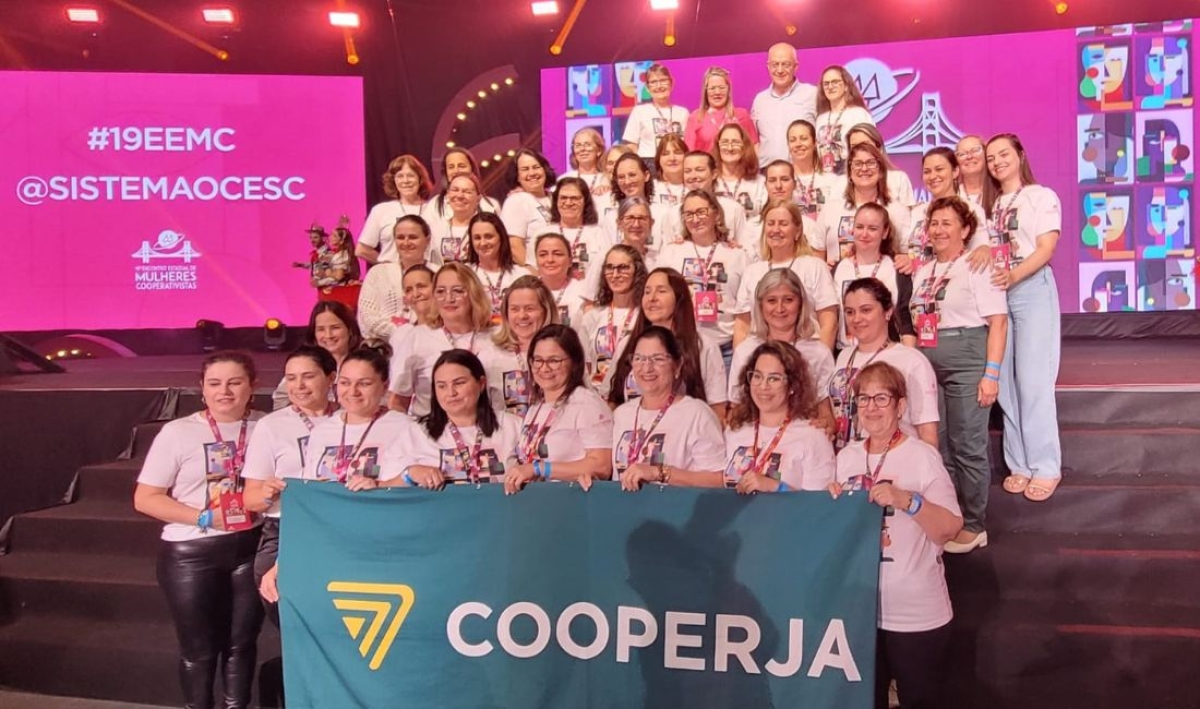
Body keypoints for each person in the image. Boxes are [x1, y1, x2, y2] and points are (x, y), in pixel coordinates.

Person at [133, 351, 265, 709]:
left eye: (235, 382)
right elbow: (145, 498)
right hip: (191, 554)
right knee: (200, 650)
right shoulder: (178, 433)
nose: (225, 391)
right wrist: (204, 518)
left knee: (241, 644)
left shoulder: (267, 427)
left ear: (252, 386)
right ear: (202, 389)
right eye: (215, 384)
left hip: (250, 546)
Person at [828, 361, 963, 709]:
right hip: (860, 611)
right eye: (864, 398)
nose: (871, 407)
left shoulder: (922, 456)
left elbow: (950, 528)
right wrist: (831, 505)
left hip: (915, 613)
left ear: (900, 406)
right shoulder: (846, 457)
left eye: (881, 398)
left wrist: (908, 501)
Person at [909, 196, 1008, 553]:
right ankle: (950, 515)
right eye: (933, 223)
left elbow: (999, 322)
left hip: (967, 356)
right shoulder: (924, 271)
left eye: (947, 223)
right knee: (939, 444)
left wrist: (991, 374)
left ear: (965, 229)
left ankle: (974, 523)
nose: (938, 230)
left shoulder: (977, 265)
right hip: (928, 361)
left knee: (968, 443)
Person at [983, 133, 1063, 502]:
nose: (997, 162)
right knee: (1006, 387)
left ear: (1020, 155)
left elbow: (1046, 248)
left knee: (1033, 382)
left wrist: (1014, 275)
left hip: (1031, 289)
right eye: (991, 158)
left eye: (1004, 154)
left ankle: (1045, 466)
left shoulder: (1040, 196)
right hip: (999, 295)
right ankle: (1019, 464)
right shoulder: (990, 205)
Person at [241, 346, 337, 625]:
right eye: (291, 378)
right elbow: (250, 499)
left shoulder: (349, 419)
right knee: (292, 626)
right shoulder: (272, 426)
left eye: (308, 376)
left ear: (331, 377)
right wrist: (267, 493)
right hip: (284, 530)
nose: (299, 386)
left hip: (339, 529)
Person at [385, 349, 522, 487]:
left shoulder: (513, 426)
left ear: (481, 384)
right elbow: (384, 488)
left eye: (459, 383)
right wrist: (410, 474)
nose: (451, 393)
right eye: (442, 386)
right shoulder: (415, 433)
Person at [832, 278, 939, 452]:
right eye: (850, 312)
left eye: (866, 310)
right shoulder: (844, 356)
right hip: (847, 458)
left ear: (887, 311)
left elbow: (928, 435)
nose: (856, 319)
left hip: (895, 459)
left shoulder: (912, 361)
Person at [504, 325, 614, 493]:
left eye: (554, 361)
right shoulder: (536, 407)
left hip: (572, 500)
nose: (544, 368)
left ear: (574, 362)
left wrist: (540, 468)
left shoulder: (586, 403)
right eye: (538, 360)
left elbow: (602, 465)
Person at [613, 327, 726, 489]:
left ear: (677, 366)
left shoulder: (696, 414)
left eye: (657, 359)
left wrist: (660, 473)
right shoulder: (622, 414)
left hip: (677, 504)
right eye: (639, 359)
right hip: (623, 504)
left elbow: (718, 480)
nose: (647, 368)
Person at [608, 268, 728, 420]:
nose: (652, 298)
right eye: (647, 292)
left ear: (679, 297)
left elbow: (717, 409)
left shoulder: (703, 346)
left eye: (661, 291)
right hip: (633, 431)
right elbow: (613, 399)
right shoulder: (627, 344)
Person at [728, 268, 836, 431]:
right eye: (771, 301)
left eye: (788, 300)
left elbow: (826, 413)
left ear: (800, 304)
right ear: (760, 305)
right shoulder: (745, 351)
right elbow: (736, 408)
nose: (779, 309)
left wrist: (825, 426)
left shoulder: (819, 353)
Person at [298, 345, 417, 490]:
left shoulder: (405, 428)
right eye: (345, 383)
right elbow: (308, 487)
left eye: (364, 384)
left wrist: (379, 485)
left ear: (385, 386)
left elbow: (418, 482)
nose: (353, 391)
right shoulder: (322, 432)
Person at [725, 341, 835, 493]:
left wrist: (777, 487)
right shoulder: (735, 430)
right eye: (757, 376)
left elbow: (818, 505)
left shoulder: (813, 437)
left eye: (774, 378)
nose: (763, 386)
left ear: (792, 386)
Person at [388, 263, 495, 417]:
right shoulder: (417, 337)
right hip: (431, 428)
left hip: (489, 426)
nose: (448, 298)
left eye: (458, 291)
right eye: (440, 291)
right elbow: (397, 401)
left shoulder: (496, 336)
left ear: (474, 293)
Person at [656, 190, 749, 365]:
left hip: (726, 349)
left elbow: (744, 313)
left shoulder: (737, 255)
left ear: (716, 213)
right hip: (682, 348)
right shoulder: (670, 253)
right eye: (689, 214)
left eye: (701, 212)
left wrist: (739, 356)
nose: (695, 219)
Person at [734, 199, 839, 348]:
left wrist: (820, 358)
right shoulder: (752, 271)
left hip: (806, 355)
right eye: (771, 224)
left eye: (783, 224)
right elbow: (742, 326)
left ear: (797, 231)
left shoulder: (815, 267)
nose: (776, 229)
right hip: (761, 356)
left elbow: (829, 323)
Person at [813, 142, 911, 265]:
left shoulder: (897, 210)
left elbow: (906, 255)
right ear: (850, 172)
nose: (864, 169)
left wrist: (906, 261)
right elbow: (817, 255)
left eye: (870, 163)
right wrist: (823, 269)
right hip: (837, 276)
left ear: (880, 170)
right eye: (858, 164)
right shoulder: (830, 209)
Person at [832, 203, 914, 348]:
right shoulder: (837, 269)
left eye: (872, 229)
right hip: (846, 352)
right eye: (859, 227)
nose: (864, 234)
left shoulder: (898, 268)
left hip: (886, 353)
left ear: (885, 232)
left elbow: (906, 321)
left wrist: (908, 356)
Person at [905, 147, 991, 277]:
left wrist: (984, 249)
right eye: (927, 172)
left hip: (954, 281)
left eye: (939, 169)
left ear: (955, 171)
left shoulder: (971, 209)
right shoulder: (917, 212)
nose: (933, 176)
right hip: (917, 284)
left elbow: (981, 249)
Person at [577, 245, 647, 397]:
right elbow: (584, 367)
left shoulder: (645, 316)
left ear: (637, 271)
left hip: (634, 399)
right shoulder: (592, 317)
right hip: (597, 399)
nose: (615, 274)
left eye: (623, 268)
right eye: (610, 268)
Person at [485, 275, 559, 416]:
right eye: (515, 309)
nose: (522, 316)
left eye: (530, 308)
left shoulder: (566, 352)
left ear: (546, 310)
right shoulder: (489, 356)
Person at [357, 218, 436, 343]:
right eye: (400, 237)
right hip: (383, 347)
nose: (406, 242)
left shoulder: (439, 272)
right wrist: (404, 333)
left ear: (427, 240)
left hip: (430, 342)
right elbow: (367, 318)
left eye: (413, 237)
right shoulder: (378, 272)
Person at [273, 301, 363, 409]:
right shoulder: (304, 363)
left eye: (335, 328)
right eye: (321, 329)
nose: (328, 335)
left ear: (350, 330)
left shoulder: (365, 364)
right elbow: (281, 400)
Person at [356, 155, 435, 265]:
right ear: (394, 181)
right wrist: (387, 265)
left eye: (410, 175)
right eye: (400, 176)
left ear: (420, 179)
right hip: (391, 274)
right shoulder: (381, 210)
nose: (405, 181)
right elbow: (361, 250)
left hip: (426, 273)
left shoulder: (434, 208)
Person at [751, 42, 818, 167]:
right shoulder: (759, 100)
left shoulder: (812, 94)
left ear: (796, 66)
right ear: (768, 67)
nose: (780, 70)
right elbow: (753, 141)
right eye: (775, 64)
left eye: (786, 64)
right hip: (767, 172)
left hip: (802, 171)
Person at [680, 150, 758, 251]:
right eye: (687, 171)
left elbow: (746, 248)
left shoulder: (733, 209)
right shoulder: (673, 212)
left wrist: (738, 248)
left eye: (699, 170)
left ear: (714, 174)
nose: (693, 176)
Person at [465, 212, 532, 323]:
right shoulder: (464, 274)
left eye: (488, 236)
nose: (483, 243)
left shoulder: (522, 275)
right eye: (477, 238)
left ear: (501, 237)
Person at [547, 176, 612, 285]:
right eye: (563, 198)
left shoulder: (599, 234)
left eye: (575, 198)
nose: (568, 203)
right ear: (556, 201)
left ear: (585, 201)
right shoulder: (543, 233)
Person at [603, 152, 673, 251]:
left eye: (632, 175)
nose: (627, 181)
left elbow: (669, 252)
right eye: (621, 177)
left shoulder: (662, 213)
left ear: (646, 175)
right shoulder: (611, 217)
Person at [622, 63, 688, 166]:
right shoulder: (639, 111)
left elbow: (687, 143)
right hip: (648, 162)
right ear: (647, 88)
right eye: (653, 82)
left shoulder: (682, 113)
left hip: (676, 162)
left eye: (663, 80)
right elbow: (631, 145)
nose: (659, 86)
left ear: (671, 83)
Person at [500, 148, 557, 266]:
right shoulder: (516, 201)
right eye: (525, 169)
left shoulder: (557, 198)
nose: (532, 173)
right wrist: (536, 272)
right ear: (517, 176)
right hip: (534, 272)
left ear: (545, 170)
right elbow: (514, 247)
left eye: (536, 167)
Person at [814, 65, 874, 176]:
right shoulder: (820, 119)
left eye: (835, 82)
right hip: (826, 179)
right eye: (826, 84)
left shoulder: (858, 114)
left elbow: (870, 150)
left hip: (852, 177)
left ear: (846, 86)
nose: (830, 87)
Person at [685, 66, 759, 153]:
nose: (717, 92)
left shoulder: (742, 115)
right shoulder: (695, 117)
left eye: (722, 87)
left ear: (728, 90)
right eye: (712, 88)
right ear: (705, 91)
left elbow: (754, 146)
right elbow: (689, 153)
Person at [788, 119, 839, 232]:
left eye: (803, 138)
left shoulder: (831, 181)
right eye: (792, 140)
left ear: (814, 143)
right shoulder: (783, 181)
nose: (798, 144)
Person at [712, 123, 768, 226]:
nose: (730, 148)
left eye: (735, 142)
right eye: (724, 142)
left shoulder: (760, 182)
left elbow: (765, 218)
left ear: (744, 146)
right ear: (718, 146)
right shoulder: (710, 182)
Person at [534, 232, 593, 327]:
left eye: (557, 254)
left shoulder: (584, 292)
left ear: (570, 261)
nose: (550, 260)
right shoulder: (525, 290)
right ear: (536, 261)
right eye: (543, 255)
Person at [430, 147, 501, 219]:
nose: (456, 171)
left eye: (461, 166)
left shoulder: (490, 206)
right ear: (446, 173)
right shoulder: (434, 205)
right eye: (451, 167)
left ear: (472, 169)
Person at [428, 173, 484, 264]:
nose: (460, 196)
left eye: (467, 192)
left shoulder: (484, 229)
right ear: (447, 195)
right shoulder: (435, 230)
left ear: (478, 199)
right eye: (455, 190)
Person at [561, 126, 611, 199]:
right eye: (578, 145)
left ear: (599, 150)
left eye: (587, 144)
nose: (582, 149)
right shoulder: (564, 179)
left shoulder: (607, 179)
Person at [609, 196, 659, 268]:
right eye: (630, 218)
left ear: (651, 223)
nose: (636, 224)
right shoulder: (608, 258)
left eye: (642, 218)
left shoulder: (659, 260)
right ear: (619, 224)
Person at [653, 134, 689, 207]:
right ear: (659, 159)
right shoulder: (650, 188)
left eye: (678, 153)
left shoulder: (695, 187)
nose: (672, 158)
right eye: (665, 154)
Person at [954, 135, 988, 205]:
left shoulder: (1000, 191)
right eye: (962, 154)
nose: (969, 157)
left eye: (975, 151)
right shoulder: (951, 196)